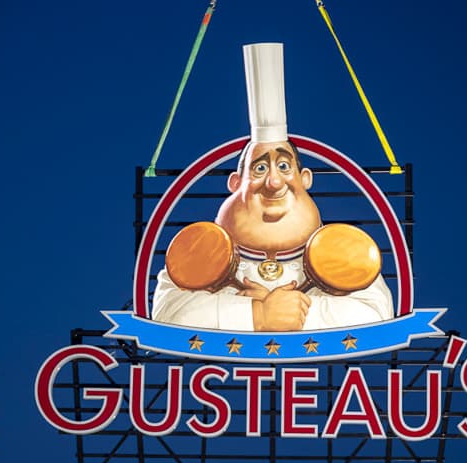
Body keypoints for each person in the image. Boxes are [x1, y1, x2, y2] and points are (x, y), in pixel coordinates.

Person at [151, 43, 393, 331]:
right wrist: (257, 314)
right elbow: (167, 313)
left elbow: (378, 314)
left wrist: (295, 312)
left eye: (283, 166)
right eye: (260, 168)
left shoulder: (344, 252)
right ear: (235, 183)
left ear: (305, 179)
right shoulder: (198, 252)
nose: (274, 182)